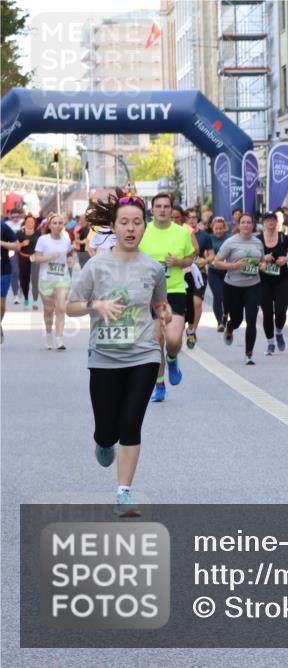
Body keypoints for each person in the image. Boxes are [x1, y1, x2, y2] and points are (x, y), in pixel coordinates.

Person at [66, 189, 170, 517]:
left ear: (144, 227)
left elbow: (158, 302)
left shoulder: (154, 268)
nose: (130, 228)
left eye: (137, 222)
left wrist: (164, 311)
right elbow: (70, 306)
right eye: (124, 222)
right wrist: (97, 304)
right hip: (104, 356)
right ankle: (102, 439)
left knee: (131, 423)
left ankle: (124, 492)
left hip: (143, 354)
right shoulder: (96, 267)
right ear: (113, 226)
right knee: (108, 430)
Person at [138, 193, 196, 402]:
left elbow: (192, 256)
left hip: (175, 291)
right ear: (152, 210)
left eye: (166, 207)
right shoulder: (142, 232)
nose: (162, 210)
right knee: (156, 340)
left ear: (172, 210)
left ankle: (172, 358)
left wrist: (180, 262)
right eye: (158, 206)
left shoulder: (181, 233)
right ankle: (159, 384)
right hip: (150, 293)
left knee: (172, 340)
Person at [213, 213, 265, 364]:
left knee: (251, 320)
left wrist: (262, 266)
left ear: (253, 225)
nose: (246, 225)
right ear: (239, 225)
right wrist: (233, 266)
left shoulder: (257, 243)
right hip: (233, 286)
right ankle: (230, 326)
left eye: (249, 222)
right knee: (237, 320)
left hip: (253, 285)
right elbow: (217, 262)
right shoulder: (230, 242)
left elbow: (262, 261)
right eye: (243, 222)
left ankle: (249, 353)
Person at [32, 212, 73, 350]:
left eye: (60, 223)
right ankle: (49, 334)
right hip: (46, 279)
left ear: (63, 225)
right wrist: (49, 257)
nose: (57, 225)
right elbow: (36, 258)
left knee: (61, 308)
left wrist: (70, 259)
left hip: (62, 278)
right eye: (54, 223)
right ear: (49, 225)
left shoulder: (66, 240)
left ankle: (60, 339)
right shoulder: (43, 240)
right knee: (49, 310)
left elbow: (69, 252)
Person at [257, 211, 288, 355]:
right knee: (267, 312)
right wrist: (262, 260)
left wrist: (286, 260)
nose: (270, 222)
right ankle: (270, 343)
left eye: (272, 219)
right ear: (263, 223)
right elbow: (252, 260)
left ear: (276, 222)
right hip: (264, 280)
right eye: (267, 220)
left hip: (282, 279)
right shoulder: (258, 240)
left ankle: (279, 331)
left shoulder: (284, 238)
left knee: (280, 311)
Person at [184, 211, 210, 349]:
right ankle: (186, 327)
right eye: (189, 217)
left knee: (197, 303)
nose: (192, 220)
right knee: (187, 304)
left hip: (199, 273)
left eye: (194, 217)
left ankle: (192, 330)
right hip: (183, 274)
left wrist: (205, 260)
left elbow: (211, 255)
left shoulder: (204, 236)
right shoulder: (179, 232)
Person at [204, 216, 230, 332]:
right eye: (216, 229)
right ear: (212, 228)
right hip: (214, 271)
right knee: (218, 296)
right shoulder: (208, 238)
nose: (218, 231)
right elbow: (205, 253)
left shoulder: (229, 239)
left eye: (221, 228)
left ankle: (225, 318)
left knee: (226, 297)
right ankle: (220, 321)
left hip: (227, 272)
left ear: (224, 228)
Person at [1, 218, 20, 342]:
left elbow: (17, 246)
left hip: (3, 270)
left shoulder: (3, 227)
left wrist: (2, 243)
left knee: (1, 305)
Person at [16, 213, 41, 310]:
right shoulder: (19, 233)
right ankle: (26, 298)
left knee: (35, 280)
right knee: (24, 280)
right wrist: (22, 244)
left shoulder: (38, 233)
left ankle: (35, 301)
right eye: (28, 221)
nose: (30, 223)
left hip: (35, 258)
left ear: (34, 223)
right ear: (25, 222)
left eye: (32, 221)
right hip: (23, 258)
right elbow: (14, 245)